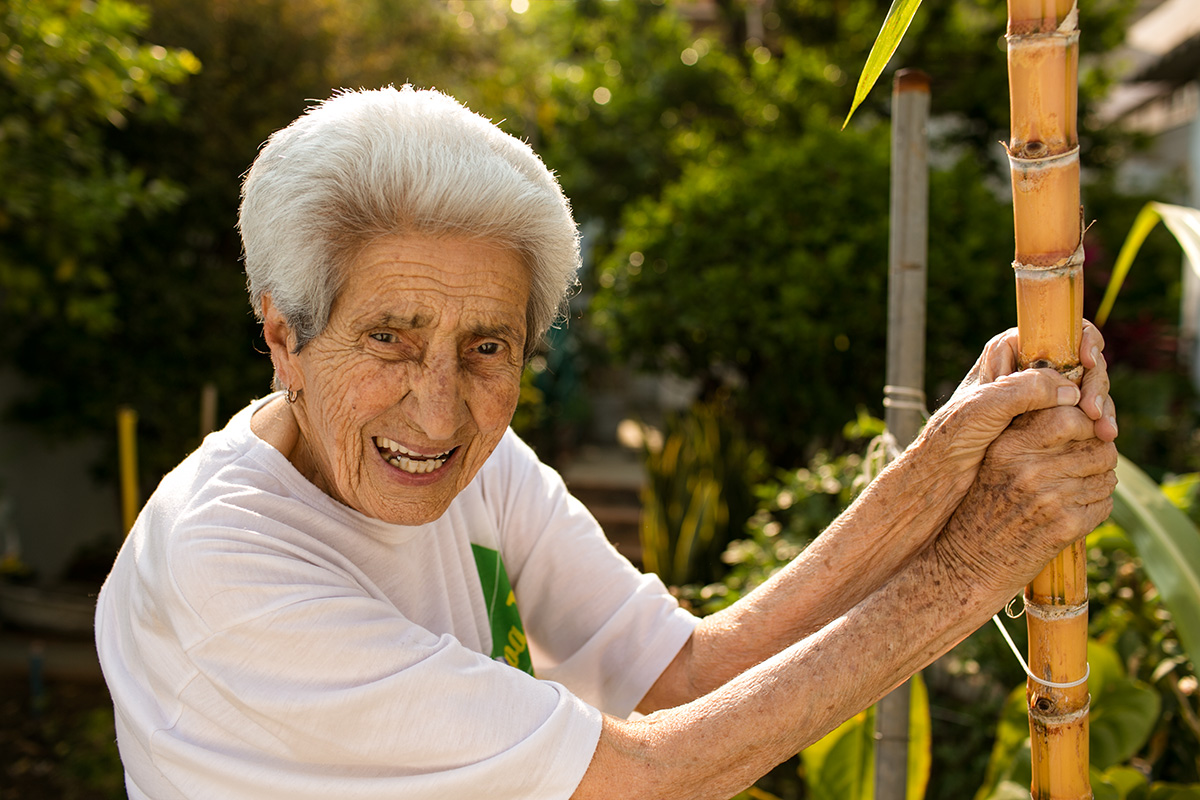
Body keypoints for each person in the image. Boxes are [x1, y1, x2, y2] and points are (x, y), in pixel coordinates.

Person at [94, 86, 1118, 800]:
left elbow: (684, 674)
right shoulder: (228, 567)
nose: (440, 413)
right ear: (284, 336)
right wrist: (981, 557)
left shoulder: (480, 469)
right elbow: (650, 777)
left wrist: (946, 465)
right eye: (389, 340)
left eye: (486, 345)